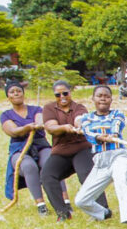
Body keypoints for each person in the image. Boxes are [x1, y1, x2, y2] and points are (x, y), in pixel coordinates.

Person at [74, 86, 127, 229]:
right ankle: (103, 213)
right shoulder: (87, 118)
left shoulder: (117, 114)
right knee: (80, 200)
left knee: (121, 182)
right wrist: (99, 137)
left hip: (119, 156)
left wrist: (114, 135)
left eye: (106, 96)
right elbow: (87, 132)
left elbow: (117, 125)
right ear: (93, 99)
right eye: (99, 96)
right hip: (100, 162)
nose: (103, 98)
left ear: (111, 99)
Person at [41, 80, 109, 221]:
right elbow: (50, 127)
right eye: (58, 95)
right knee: (47, 176)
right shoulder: (49, 108)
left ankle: (102, 210)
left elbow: (80, 119)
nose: (62, 97)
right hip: (61, 151)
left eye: (65, 93)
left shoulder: (79, 107)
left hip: (81, 148)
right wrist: (65, 127)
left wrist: (79, 124)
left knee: (87, 174)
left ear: (70, 92)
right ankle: (63, 213)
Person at [0, 81, 54, 215]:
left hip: (40, 144)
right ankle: (40, 204)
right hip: (19, 148)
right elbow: (12, 130)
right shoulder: (6, 115)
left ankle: (64, 201)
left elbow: (41, 120)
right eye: (12, 92)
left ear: (23, 93)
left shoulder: (36, 110)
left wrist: (39, 124)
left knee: (50, 163)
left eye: (18, 90)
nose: (16, 93)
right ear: (8, 97)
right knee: (29, 166)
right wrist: (27, 128)